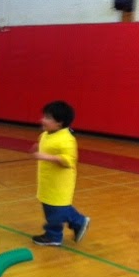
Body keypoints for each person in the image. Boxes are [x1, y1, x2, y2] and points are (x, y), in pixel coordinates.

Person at [29, 100, 90, 246]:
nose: (43, 120)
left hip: (60, 184)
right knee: (51, 208)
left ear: (59, 123)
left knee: (57, 210)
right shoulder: (45, 134)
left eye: (48, 118)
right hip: (47, 181)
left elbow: (69, 160)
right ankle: (67, 228)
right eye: (44, 116)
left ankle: (63, 230)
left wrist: (46, 156)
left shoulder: (67, 140)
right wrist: (39, 146)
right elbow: (46, 144)